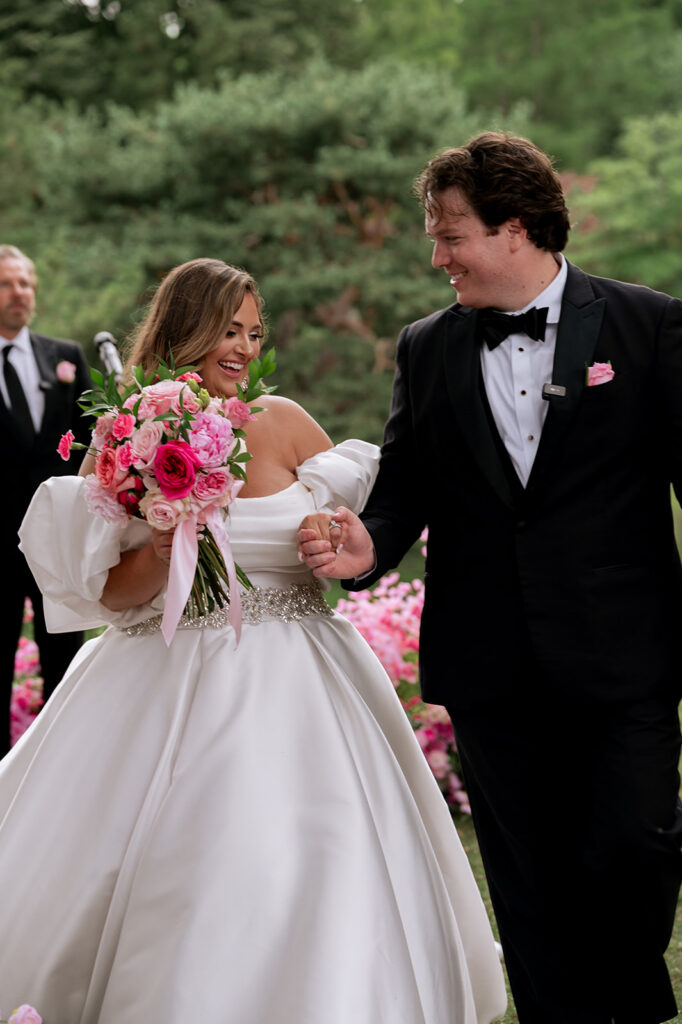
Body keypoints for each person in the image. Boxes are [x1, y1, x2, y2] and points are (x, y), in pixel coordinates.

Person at [0, 258, 506, 1023]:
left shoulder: (288, 420)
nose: (242, 346)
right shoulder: (128, 431)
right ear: (184, 329)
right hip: (170, 672)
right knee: (193, 864)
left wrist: (331, 535)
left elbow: (353, 530)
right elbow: (112, 593)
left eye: (253, 331)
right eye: (227, 329)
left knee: (330, 850)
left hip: (309, 671)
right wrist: (175, 528)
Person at [298, 132, 682, 1024]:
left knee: (632, 846)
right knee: (529, 877)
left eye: (451, 234)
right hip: (489, 662)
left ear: (516, 227)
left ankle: (626, 1001)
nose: (438, 256)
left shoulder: (648, 324)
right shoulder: (425, 347)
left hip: (624, 655)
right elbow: (403, 488)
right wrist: (366, 549)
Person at [0, 245, 90, 755]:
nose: (20, 293)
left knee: (65, 661)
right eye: (8, 284)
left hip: (56, 543)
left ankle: (62, 763)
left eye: (26, 283)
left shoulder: (66, 358)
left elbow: (93, 442)